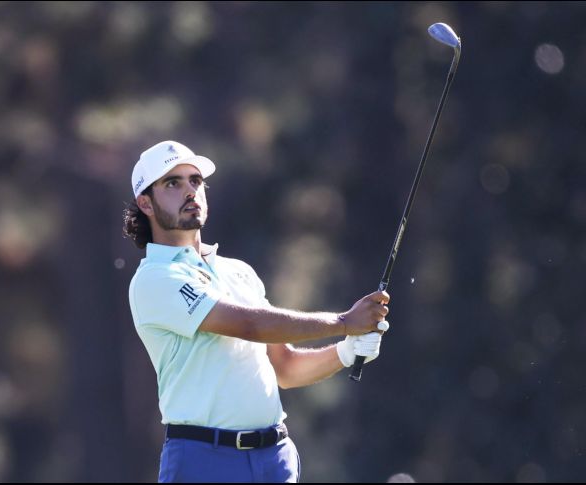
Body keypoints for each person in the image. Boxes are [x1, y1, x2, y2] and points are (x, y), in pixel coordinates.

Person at [123, 140, 390, 483]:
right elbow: (248, 325)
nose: (190, 191)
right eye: (172, 183)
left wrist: (347, 350)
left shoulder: (238, 271)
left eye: (195, 181)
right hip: (203, 460)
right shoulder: (155, 278)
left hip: (274, 459)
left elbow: (286, 368)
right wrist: (342, 322)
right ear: (145, 202)